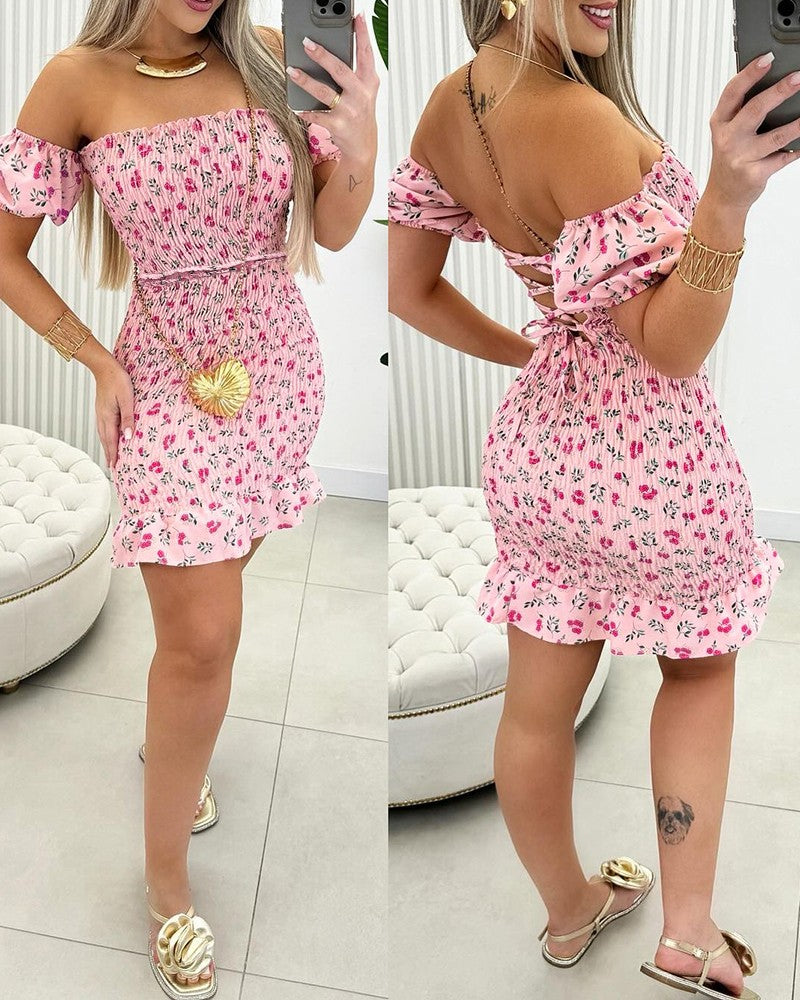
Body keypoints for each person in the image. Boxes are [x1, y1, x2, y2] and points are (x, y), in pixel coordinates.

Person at [387, 2, 791, 997]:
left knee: (534, 711)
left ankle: (569, 913)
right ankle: (686, 935)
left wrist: (536, 351)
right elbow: (669, 346)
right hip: (654, 464)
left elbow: (407, 288)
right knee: (695, 674)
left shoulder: (447, 105)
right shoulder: (587, 122)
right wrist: (725, 202)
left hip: (541, 455)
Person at [0, 0, 379, 996]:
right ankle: (166, 884)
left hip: (276, 371)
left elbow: (332, 229)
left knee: (196, 620)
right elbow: (3, 251)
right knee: (206, 635)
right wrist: (94, 359)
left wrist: (361, 130)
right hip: (163, 377)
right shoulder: (75, 81)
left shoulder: (269, 57)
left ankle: (171, 736)